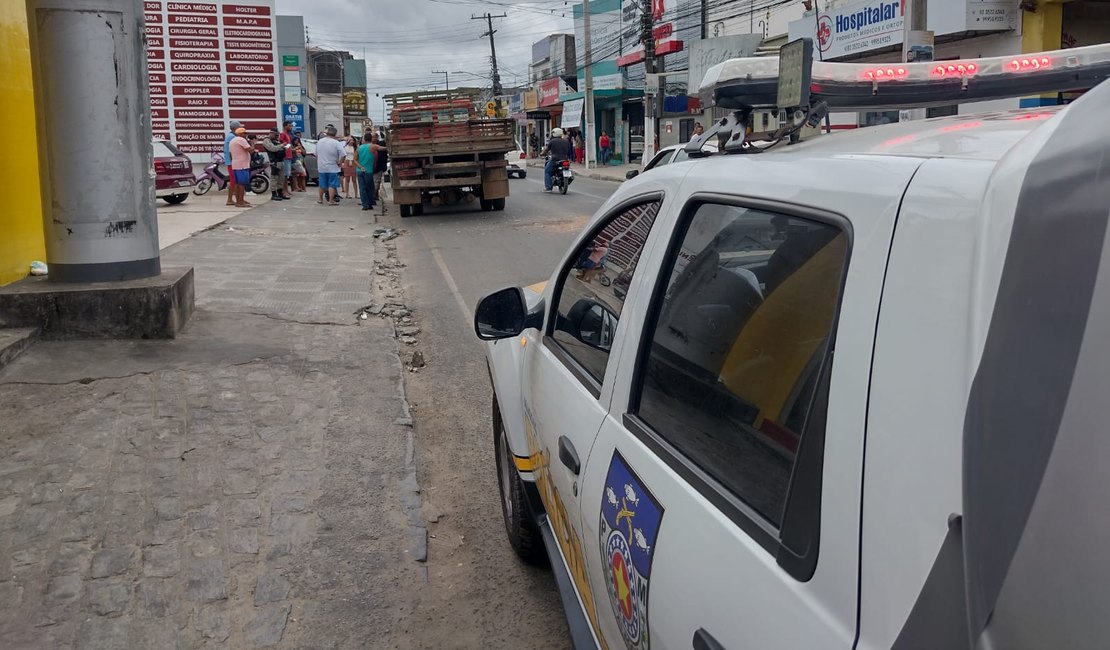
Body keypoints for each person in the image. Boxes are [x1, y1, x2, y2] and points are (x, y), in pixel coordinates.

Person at [315, 126, 346, 205]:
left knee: (322, 184)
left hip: (321, 166)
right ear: (335, 134)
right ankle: (331, 200)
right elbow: (343, 154)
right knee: (332, 184)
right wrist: (340, 162)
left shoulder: (320, 141)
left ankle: (320, 199)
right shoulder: (336, 143)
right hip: (332, 167)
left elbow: (316, 154)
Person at [540, 127, 574, 192]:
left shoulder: (552, 141)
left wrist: (541, 154)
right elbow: (568, 150)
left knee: (547, 171)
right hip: (565, 159)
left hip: (555, 159)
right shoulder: (566, 141)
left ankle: (548, 188)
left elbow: (546, 150)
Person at [228, 127, 253, 208]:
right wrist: (252, 143)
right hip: (242, 165)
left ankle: (238, 201)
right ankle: (240, 202)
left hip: (235, 164)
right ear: (241, 134)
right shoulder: (241, 140)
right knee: (242, 184)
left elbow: (230, 154)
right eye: (245, 134)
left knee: (237, 184)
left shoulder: (232, 140)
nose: (246, 135)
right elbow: (250, 150)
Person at [260, 128, 287, 201]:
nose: (277, 136)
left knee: (281, 179)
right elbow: (272, 149)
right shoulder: (267, 141)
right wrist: (281, 146)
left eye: (278, 135)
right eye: (276, 135)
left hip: (281, 160)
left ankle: (280, 194)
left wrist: (283, 147)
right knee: (274, 178)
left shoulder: (276, 140)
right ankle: (274, 194)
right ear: (271, 133)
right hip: (274, 162)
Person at [223, 120, 242, 206]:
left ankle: (235, 199)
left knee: (235, 181)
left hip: (231, 161)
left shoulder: (231, 136)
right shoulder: (232, 137)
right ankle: (230, 199)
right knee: (234, 181)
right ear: (236, 128)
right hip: (232, 162)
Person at [355, 132, 376, 211]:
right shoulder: (373, 146)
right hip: (369, 171)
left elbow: (355, 160)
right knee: (369, 188)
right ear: (371, 139)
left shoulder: (359, 148)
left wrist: (360, 167)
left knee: (362, 188)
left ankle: (365, 204)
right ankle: (370, 203)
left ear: (364, 139)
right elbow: (382, 148)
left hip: (360, 171)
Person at [373, 131, 389, 213]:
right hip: (369, 168)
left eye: (375, 137)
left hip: (378, 167)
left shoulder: (381, 143)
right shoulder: (368, 146)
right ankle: (373, 196)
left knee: (377, 182)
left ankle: (375, 195)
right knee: (373, 183)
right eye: (372, 137)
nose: (374, 139)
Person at [279, 120, 295, 198]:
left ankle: (286, 190)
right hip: (285, 156)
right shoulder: (283, 134)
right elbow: (281, 144)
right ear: (285, 126)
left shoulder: (288, 135)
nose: (290, 127)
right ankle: (284, 190)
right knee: (285, 175)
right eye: (289, 126)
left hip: (289, 156)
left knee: (287, 174)